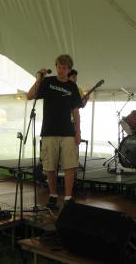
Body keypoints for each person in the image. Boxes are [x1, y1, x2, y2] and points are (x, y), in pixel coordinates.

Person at [27, 54, 82, 210]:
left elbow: (76, 111)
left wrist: (78, 131)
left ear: (69, 69)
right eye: (59, 67)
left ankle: (68, 197)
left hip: (68, 132)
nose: (61, 70)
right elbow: (30, 96)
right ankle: (52, 195)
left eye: (64, 68)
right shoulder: (47, 82)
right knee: (50, 166)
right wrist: (38, 79)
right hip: (49, 131)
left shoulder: (72, 87)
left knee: (69, 166)